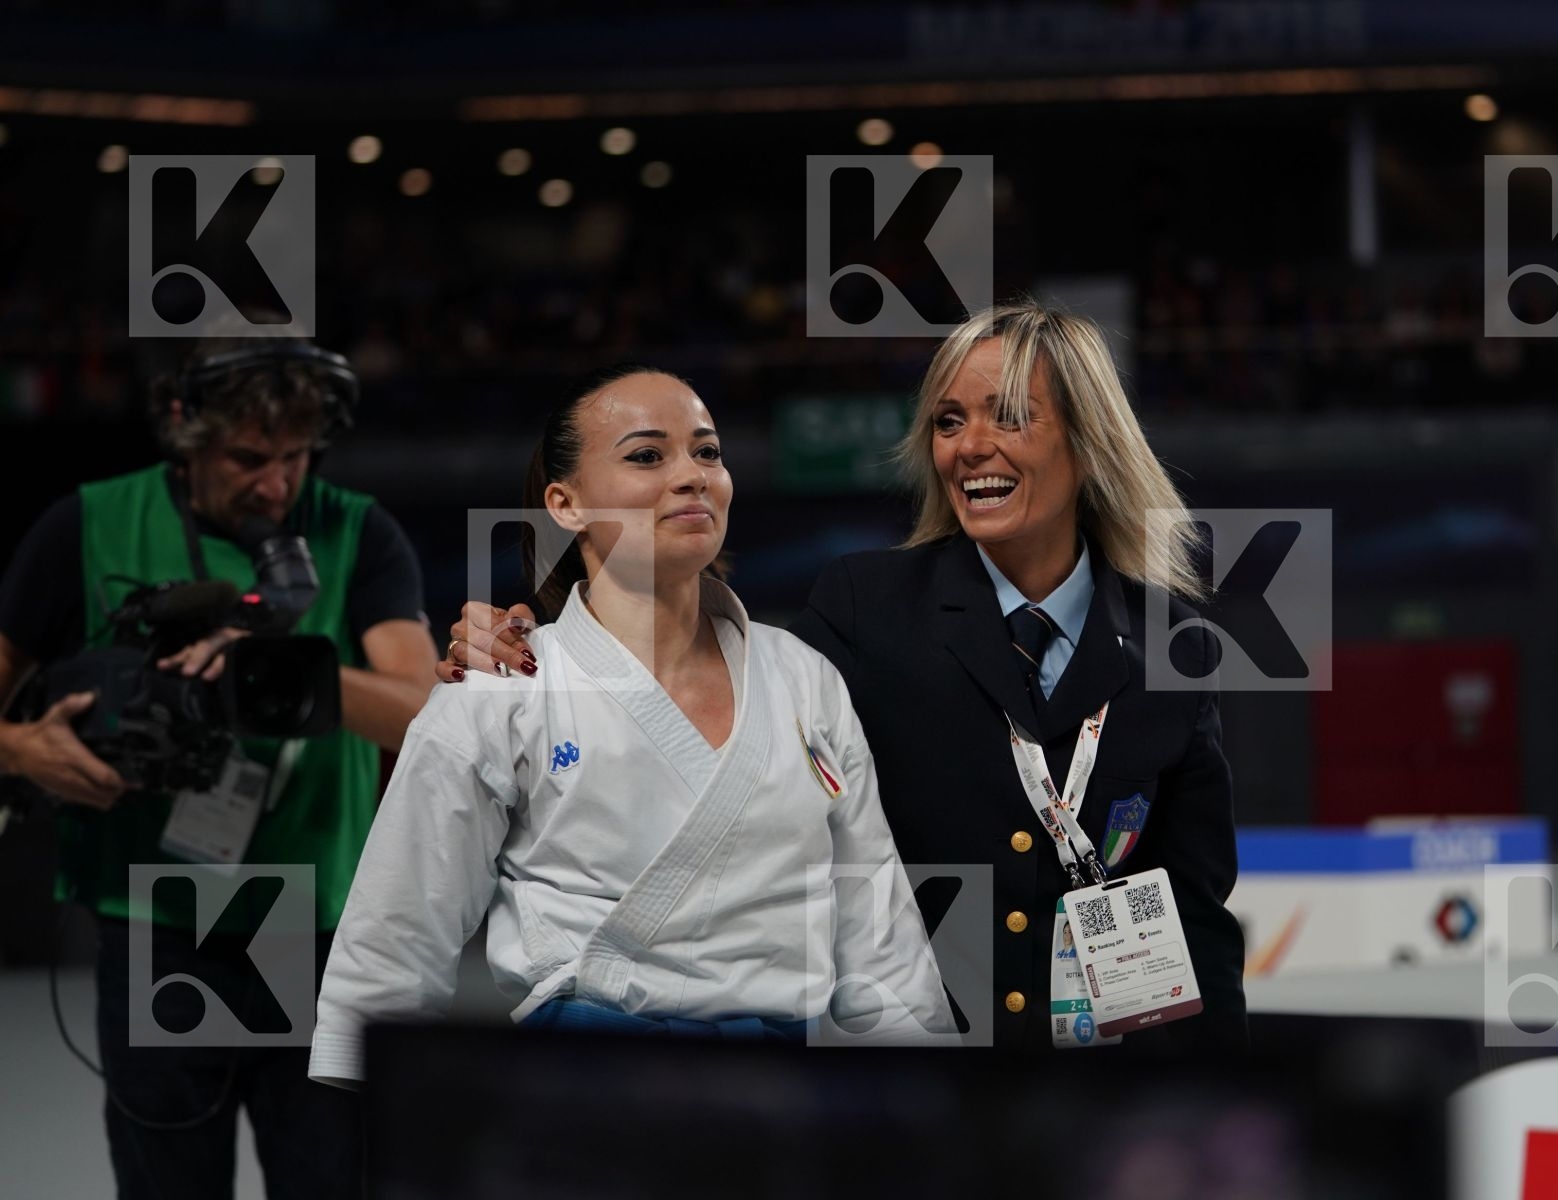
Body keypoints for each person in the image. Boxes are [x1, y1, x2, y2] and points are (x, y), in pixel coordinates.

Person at [441, 302, 1247, 1054]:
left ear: (1087, 436)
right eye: (947, 422)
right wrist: (545, 638)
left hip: (1121, 1080)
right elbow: (709, 716)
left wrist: (1221, 1098)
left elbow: (1195, 911)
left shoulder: (1175, 642)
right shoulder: (867, 608)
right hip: (920, 1072)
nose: (968, 447)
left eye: (1007, 415)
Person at [309, 367, 952, 1088]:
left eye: (707, 453)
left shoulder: (802, 675)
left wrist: (920, 1092)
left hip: (787, 1098)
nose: (692, 475)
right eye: (648, 455)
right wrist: (352, 1097)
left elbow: (880, 935)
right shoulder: (505, 687)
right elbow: (399, 930)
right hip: (586, 1089)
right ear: (566, 503)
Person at [0, 335, 438, 1197]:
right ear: (183, 430)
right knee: (169, 1184)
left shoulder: (354, 528)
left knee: (328, 1178)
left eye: (296, 457)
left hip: (308, 915)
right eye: (248, 458)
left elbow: (424, 709)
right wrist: (19, 749)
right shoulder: (88, 524)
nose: (278, 484)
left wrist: (280, 667)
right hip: (160, 915)